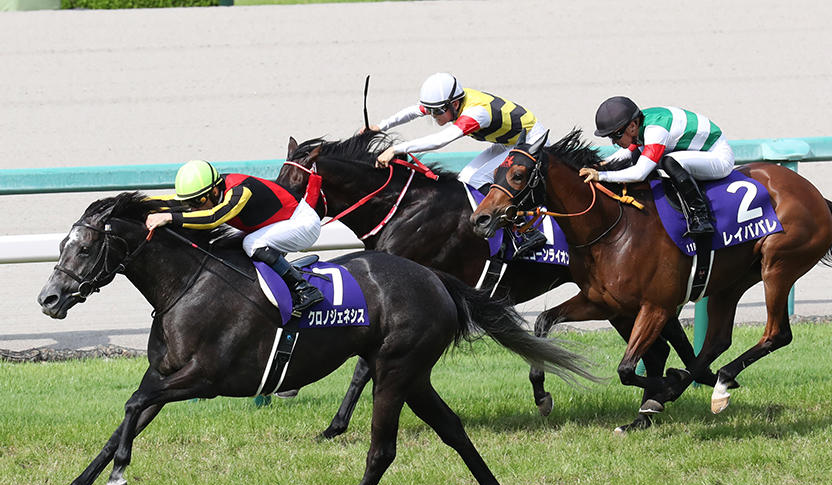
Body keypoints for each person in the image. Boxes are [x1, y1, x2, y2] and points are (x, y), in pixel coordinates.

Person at [366, 72, 549, 257]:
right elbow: (413, 111)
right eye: (431, 111)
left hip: (530, 141)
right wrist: (381, 126)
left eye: (437, 111)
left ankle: (526, 231)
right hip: (509, 141)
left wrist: (395, 149)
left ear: (454, 104)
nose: (434, 116)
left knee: (477, 178)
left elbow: (440, 140)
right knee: (465, 179)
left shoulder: (477, 113)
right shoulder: (447, 101)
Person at [145, 159, 324, 316]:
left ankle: (304, 289)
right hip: (276, 225)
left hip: (303, 224)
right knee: (226, 245)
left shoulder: (240, 191)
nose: (193, 208)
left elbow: (212, 218)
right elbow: (170, 202)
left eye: (197, 202)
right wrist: (127, 203)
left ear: (215, 191)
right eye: (189, 203)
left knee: (251, 243)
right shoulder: (208, 192)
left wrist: (169, 217)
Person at [579, 96, 735, 237]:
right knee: (642, 157)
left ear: (632, 126)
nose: (614, 142)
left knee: (669, 162)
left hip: (719, 157)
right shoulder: (638, 125)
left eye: (615, 135)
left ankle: (701, 217)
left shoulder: (656, 131)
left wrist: (602, 176)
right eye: (610, 137)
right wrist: (597, 166)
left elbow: (639, 173)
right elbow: (624, 155)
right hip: (699, 152)